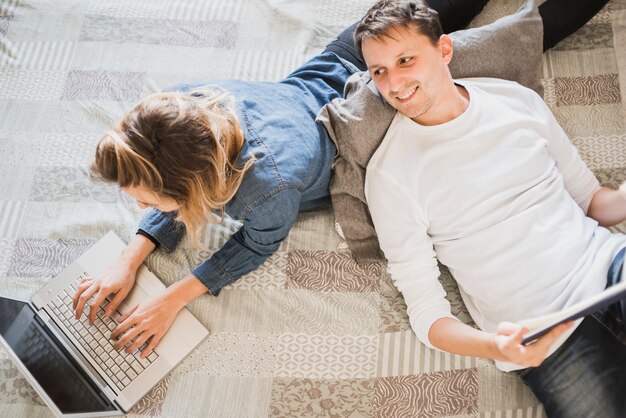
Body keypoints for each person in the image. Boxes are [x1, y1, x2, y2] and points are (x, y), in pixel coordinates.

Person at [355, 0, 625, 416]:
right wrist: (495, 344)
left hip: (610, 267)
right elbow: (427, 314)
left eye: (405, 59)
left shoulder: (515, 101)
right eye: (379, 71)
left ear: (444, 50)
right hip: (541, 334)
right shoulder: (390, 174)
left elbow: (591, 201)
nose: (394, 82)